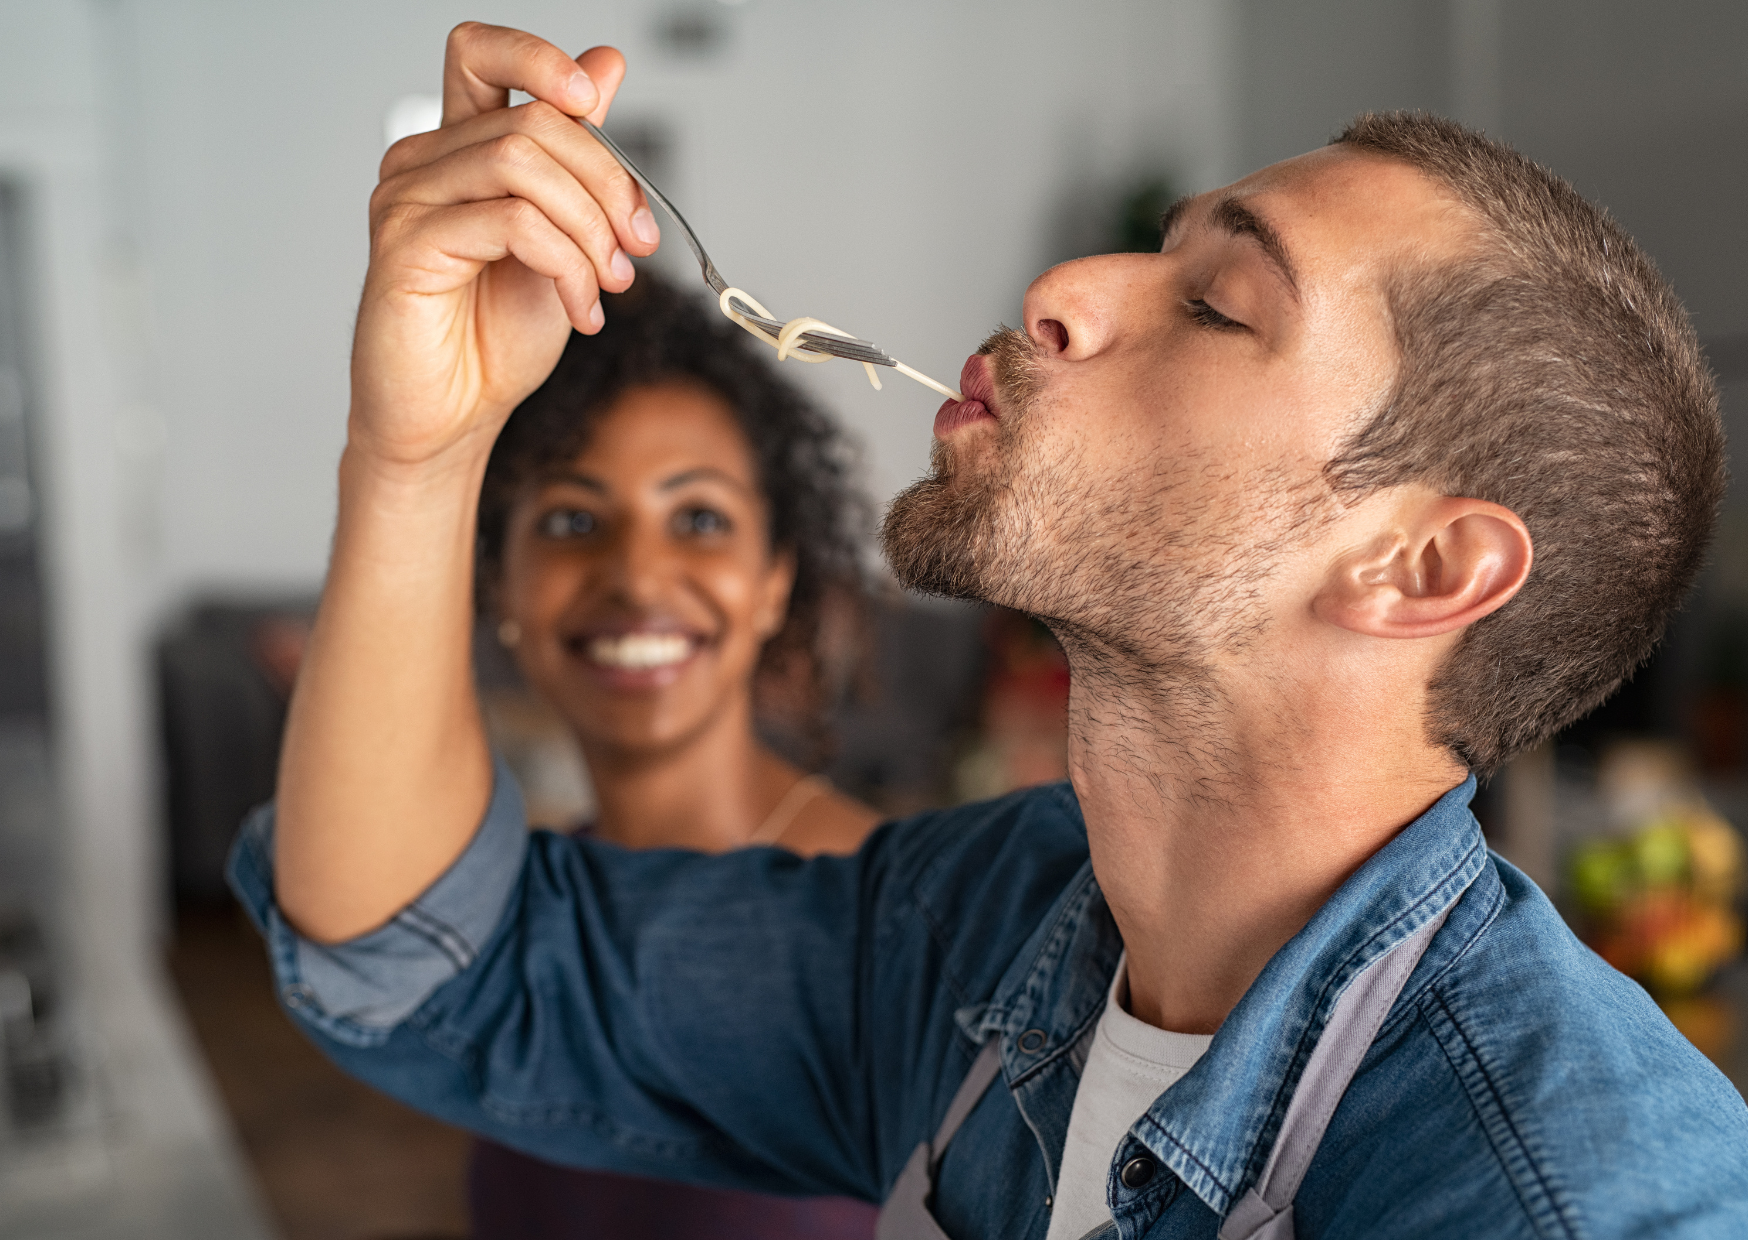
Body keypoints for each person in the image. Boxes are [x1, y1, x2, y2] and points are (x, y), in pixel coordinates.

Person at [231, 21, 1748, 1240]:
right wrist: (419, 449)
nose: (1060, 291)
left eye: (1218, 305)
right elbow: (428, 965)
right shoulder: (982, 929)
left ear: (1418, 570)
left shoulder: (1564, 1190)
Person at [463, 275, 880, 1237]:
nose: (638, 577)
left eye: (699, 519)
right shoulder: (519, 911)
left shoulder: (885, 919)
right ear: (501, 587)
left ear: (774, 581)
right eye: (573, 520)